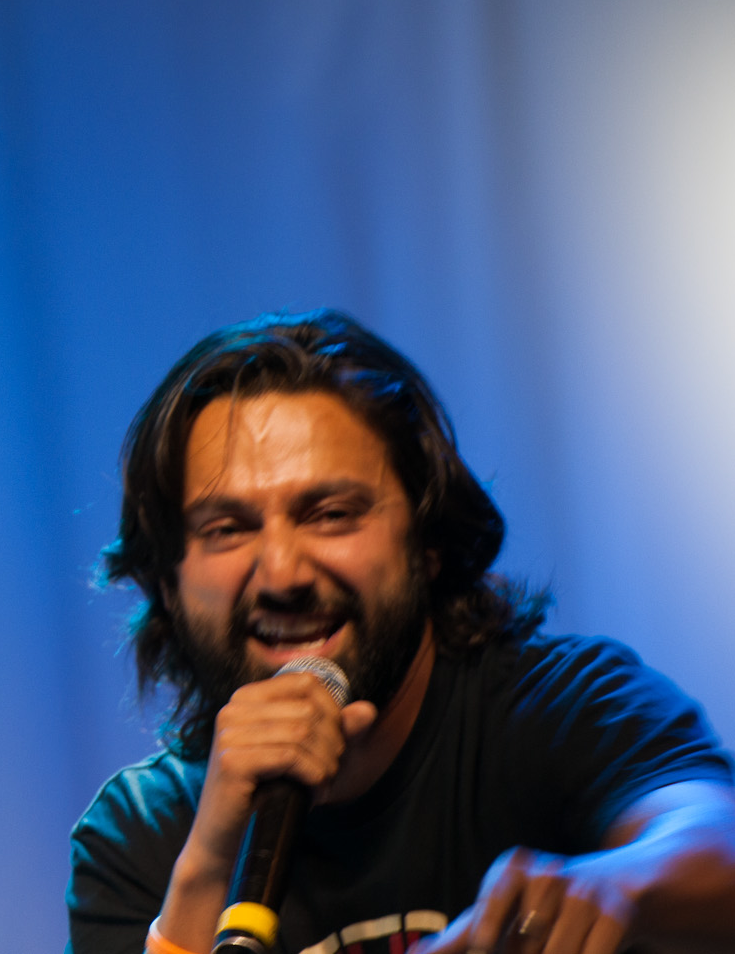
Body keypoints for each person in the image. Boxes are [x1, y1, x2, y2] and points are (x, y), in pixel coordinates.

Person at [67, 309, 735, 954]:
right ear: (168, 579)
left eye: (329, 514)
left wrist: (616, 888)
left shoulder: (562, 702)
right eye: (228, 529)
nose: (281, 573)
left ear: (427, 541)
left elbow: (710, 839)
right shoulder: (140, 835)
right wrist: (209, 861)